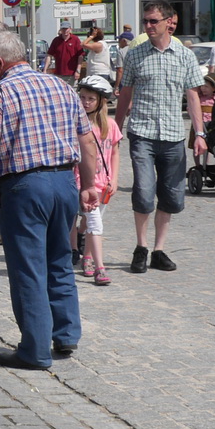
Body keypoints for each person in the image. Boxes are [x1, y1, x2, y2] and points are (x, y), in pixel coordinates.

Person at [0, 31, 100, 370]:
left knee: (28, 268)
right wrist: (89, 184)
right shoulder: (61, 86)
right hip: (63, 181)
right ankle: (66, 333)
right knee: (59, 258)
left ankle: (35, 349)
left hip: (25, 186)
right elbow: (86, 141)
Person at [114, 2, 207, 273]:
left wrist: (199, 133)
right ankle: (141, 247)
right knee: (143, 192)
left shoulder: (185, 55)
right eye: (145, 21)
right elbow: (125, 93)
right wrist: (116, 128)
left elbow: (193, 97)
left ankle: (159, 250)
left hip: (173, 136)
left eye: (153, 21)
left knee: (172, 197)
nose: (148, 26)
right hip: (142, 132)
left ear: (169, 21)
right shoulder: (135, 54)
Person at [75, 75, 120, 287]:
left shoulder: (110, 125)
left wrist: (114, 177)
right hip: (81, 181)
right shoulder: (75, 124)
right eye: (82, 97)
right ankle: (100, 268)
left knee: (90, 221)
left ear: (101, 101)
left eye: (90, 98)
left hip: (103, 182)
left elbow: (115, 153)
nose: (85, 102)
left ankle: (87, 257)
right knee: (94, 222)